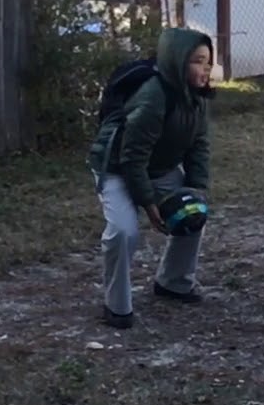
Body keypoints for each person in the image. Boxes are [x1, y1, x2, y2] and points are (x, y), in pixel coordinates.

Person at [87, 27, 215, 329]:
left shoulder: (197, 97)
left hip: (160, 168)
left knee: (192, 212)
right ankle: (116, 306)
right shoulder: (153, 98)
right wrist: (149, 204)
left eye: (208, 61)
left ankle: (173, 282)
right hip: (117, 167)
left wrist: (195, 189)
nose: (206, 68)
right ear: (178, 61)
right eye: (198, 61)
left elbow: (199, 145)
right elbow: (132, 158)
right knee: (123, 232)